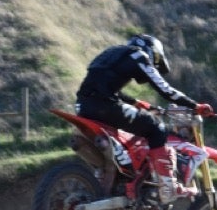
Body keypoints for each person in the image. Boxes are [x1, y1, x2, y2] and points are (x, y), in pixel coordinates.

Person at [75, 34, 196, 197]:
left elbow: (102, 87)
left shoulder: (112, 54)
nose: (154, 64)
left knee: (124, 134)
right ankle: (168, 187)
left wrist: (136, 103)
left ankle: (109, 176)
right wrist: (195, 105)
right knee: (156, 127)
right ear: (151, 51)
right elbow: (164, 89)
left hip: (83, 106)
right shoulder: (138, 55)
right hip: (104, 106)